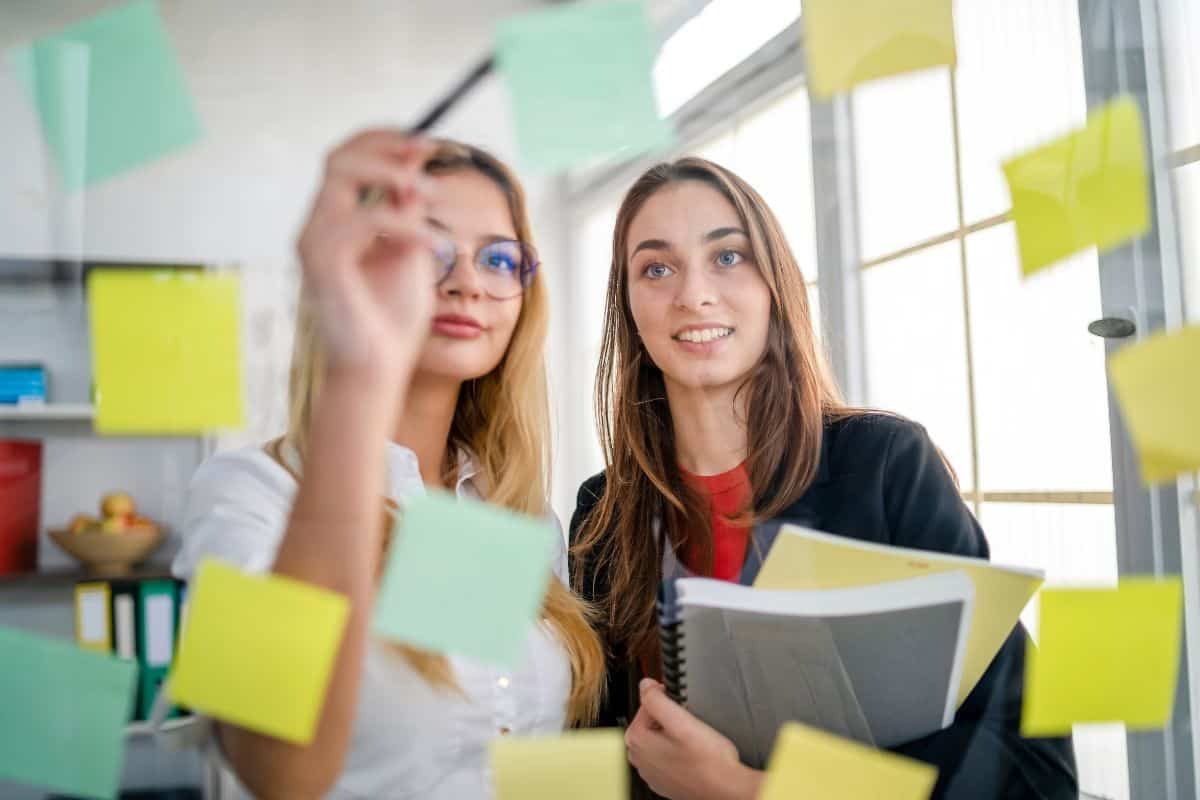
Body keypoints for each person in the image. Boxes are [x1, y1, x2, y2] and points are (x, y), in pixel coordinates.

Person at [568, 156, 1077, 800]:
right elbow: (606, 750)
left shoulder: (883, 465)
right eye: (657, 268)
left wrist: (746, 789)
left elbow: (1026, 764)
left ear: (775, 285)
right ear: (629, 305)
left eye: (728, 257)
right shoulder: (602, 512)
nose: (693, 293)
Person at [173, 132, 604, 799]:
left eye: (497, 258)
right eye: (429, 250)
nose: (466, 282)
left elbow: (515, 753)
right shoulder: (248, 495)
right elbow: (277, 771)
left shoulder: (515, 512)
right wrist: (360, 373)